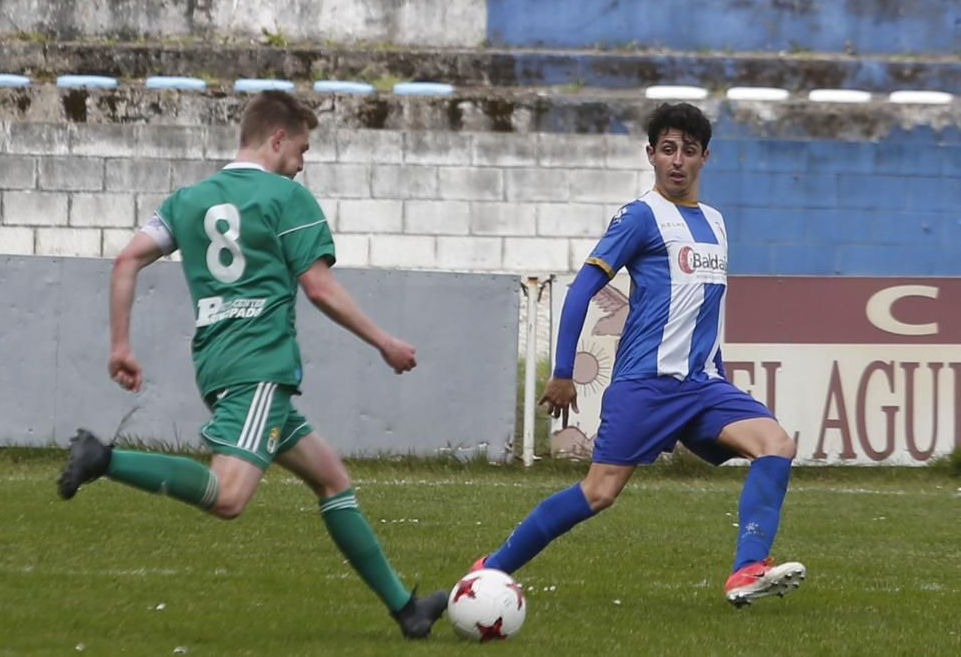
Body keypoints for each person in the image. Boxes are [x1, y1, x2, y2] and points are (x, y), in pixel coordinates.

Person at [58, 90, 448, 637]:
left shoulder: (188, 199)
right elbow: (319, 287)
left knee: (333, 481)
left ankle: (407, 611)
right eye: (303, 149)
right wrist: (383, 341)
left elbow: (126, 260)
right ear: (278, 138)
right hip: (259, 364)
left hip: (219, 364)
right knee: (229, 497)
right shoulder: (286, 198)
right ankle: (104, 459)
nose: (304, 163)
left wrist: (120, 344)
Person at [471, 102, 805, 607]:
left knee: (776, 444)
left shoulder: (715, 222)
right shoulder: (640, 216)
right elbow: (583, 289)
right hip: (645, 385)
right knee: (598, 493)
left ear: (704, 157)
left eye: (688, 151)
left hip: (702, 386)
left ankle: (746, 571)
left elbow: (706, 310)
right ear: (650, 154)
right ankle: (488, 570)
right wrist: (563, 372)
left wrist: (721, 376)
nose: (677, 160)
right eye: (667, 149)